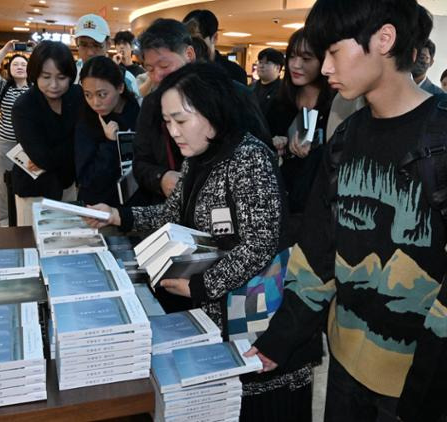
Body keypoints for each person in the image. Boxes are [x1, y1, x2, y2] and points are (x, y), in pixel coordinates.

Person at [86, 61, 318, 422]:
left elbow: (259, 244)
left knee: (263, 406)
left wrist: (199, 286)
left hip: (256, 317)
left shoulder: (248, 158)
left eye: (180, 120)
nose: (173, 131)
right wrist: (118, 216)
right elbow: (171, 214)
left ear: (212, 111)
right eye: (167, 121)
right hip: (219, 312)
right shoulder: (199, 158)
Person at [248, 1, 447, 422]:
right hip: (346, 367)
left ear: (384, 39)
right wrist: (278, 340)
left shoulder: (440, 138)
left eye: (334, 52)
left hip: (422, 381)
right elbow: (317, 251)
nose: (325, 68)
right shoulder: (344, 140)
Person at [134, 19, 270, 205]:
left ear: (189, 54)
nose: (157, 76)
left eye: (164, 66)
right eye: (149, 69)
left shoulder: (234, 95)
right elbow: (141, 162)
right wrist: (161, 177)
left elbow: (262, 154)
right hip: (171, 212)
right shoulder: (152, 104)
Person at [266, 28, 334, 243]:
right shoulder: (279, 103)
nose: (296, 65)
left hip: (319, 208)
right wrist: (275, 144)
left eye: (306, 58)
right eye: (292, 56)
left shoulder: (337, 104)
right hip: (280, 202)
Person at [11, 40, 82, 226]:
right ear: (35, 75)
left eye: (61, 77)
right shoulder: (24, 106)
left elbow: (88, 137)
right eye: (46, 76)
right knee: (32, 243)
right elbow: (42, 158)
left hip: (67, 185)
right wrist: (76, 146)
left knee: (69, 240)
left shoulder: (77, 95)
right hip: (34, 190)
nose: (54, 85)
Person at [75, 56, 140, 206]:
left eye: (102, 94)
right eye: (88, 95)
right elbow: (87, 180)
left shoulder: (140, 114)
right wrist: (110, 144)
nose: (95, 102)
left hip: (135, 209)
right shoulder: (86, 121)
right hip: (97, 209)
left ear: (120, 87)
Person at [0, 40, 31, 226]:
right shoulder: (3, 87)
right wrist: (5, 49)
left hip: (26, 146)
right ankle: (5, 221)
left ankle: (25, 219)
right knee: (3, 186)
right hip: (4, 144)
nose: (19, 67)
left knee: (27, 183)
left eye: (23, 64)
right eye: (15, 64)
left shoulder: (35, 89)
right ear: (9, 69)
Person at [72, 14, 140, 99]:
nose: (90, 52)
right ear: (76, 43)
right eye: (84, 45)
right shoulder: (70, 74)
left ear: (108, 44)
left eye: (96, 45)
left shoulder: (125, 79)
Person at [182, 9, 247, 85]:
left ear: (215, 38)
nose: (191, 46)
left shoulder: (234, 72)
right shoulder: (180, 68)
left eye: (197, 40)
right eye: (187, 40)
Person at [253, 48, 284, 116]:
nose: (261, 66)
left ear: (278, 68)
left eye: (267, 63)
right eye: (260, 62)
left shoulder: (283, 90)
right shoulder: (251, 87)